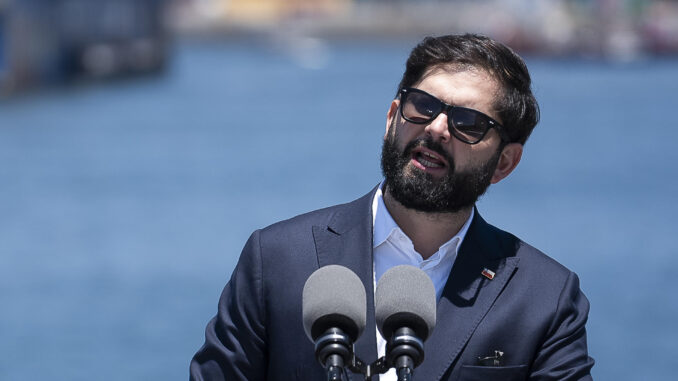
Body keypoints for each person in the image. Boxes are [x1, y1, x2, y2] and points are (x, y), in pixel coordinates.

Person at [190, 34, 594, 380]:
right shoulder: (277, 260)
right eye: (423, 105)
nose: (436, 128)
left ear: (504, 163)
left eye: (468, 123)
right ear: (391, 118)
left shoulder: (544, 297)